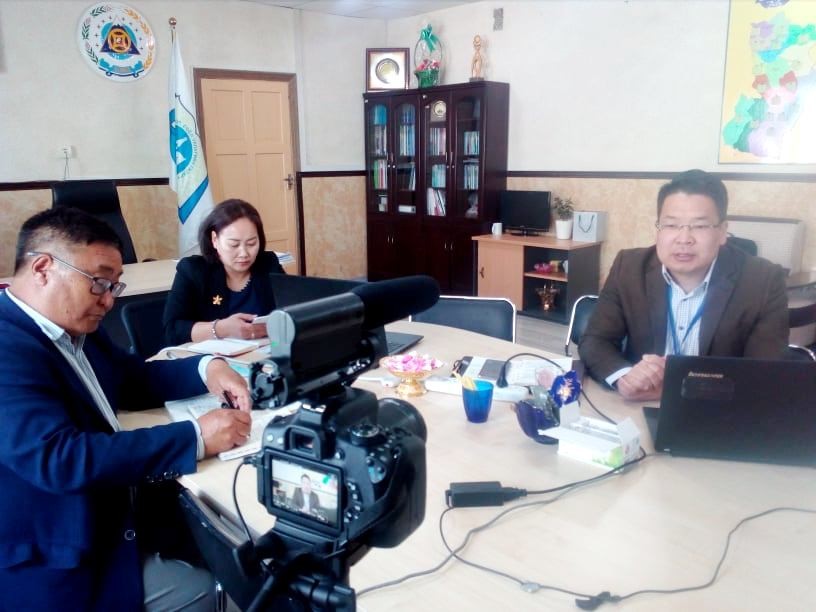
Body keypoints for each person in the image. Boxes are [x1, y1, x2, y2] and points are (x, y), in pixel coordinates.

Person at [0, 207, 254, 611]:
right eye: (99, 283)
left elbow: (132, 378)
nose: (108, 301)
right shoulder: (8, 345)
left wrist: (208, 367)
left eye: (114, 286)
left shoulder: (71, 324)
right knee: (213, 587)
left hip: (119, 501)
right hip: (60, 549)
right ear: (43, 269)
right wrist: (195, 437)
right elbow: (60, 458)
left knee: (242, 546)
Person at [579, 169, 788, 401]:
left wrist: (681, 388)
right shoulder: (628, 267)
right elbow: (595, 341)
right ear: (658, 229)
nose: (684, 239)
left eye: (699, 226)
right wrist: (625, 377)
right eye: (671, 225)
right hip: (639, 403)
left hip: (717, 410)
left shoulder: (763, 281)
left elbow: (766, 373)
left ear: (722, 232)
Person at [163, 198, 285, 345]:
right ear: (215, 240)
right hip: (213, 356)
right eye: (234, 245)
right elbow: (172, 331)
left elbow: (292, 312)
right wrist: (221, 329)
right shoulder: (193, 270)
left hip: (264, 352)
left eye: (251, 243)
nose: (244, 253)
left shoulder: (268, 264)